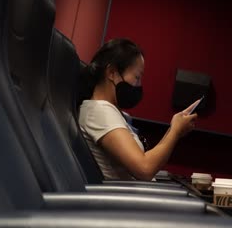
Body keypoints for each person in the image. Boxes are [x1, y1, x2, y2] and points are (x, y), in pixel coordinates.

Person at [79, 38, 199, 181]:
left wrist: (174, 130)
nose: (138, 85)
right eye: (137, 77)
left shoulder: (108, 111)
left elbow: (144, 161)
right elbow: (145, 168)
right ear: (112, 73)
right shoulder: (99, 112)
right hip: (126, 201)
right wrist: (175, 132)